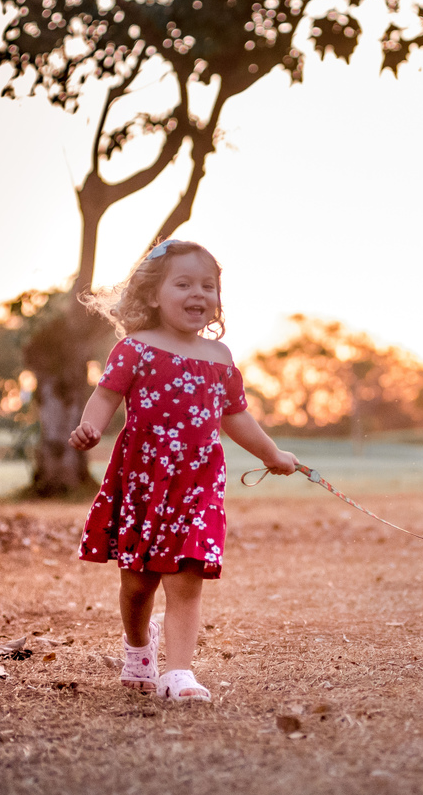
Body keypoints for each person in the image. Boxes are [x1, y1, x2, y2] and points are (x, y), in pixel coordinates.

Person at [69, 238, 298, 702]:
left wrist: (272, 455)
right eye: (184, 284)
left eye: (208, 286)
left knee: (186, 576)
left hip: (197, 481)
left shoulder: (220, 358)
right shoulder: (135, 349)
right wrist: (90, 427)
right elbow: (106, 396)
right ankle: (138, 649)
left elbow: (236, 416)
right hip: (144, 479)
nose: (199, 294)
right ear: (154, 295)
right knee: (137, 584)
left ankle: (179, 673)